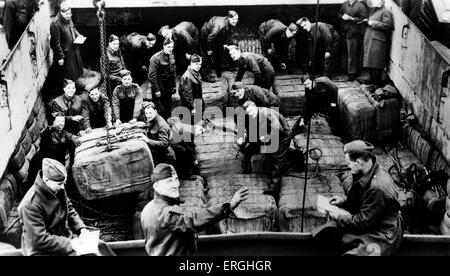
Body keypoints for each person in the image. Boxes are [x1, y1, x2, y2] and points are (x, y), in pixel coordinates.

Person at [313, 140, 404, 256]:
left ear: (359, 162)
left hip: (383, 231)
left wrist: (339, 217)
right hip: (373, 220)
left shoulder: (378, 187)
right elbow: (366, 200)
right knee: (327, 232)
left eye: (349, 163)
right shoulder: (369, 171)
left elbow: (363, 222)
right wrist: (344, 201)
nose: (348, 166)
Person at [140, 163, 249, 256]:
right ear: (156, 186)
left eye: (176, 179)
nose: (176, 184)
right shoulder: (168, 213)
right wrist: (228, 206)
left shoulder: (148, 209)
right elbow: (195, 219)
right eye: (169, 181)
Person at [18, 158, 115, 256]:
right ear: (46, 180)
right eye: (60, 184)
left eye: (64, 183)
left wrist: (82, 229)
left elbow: (69, 209)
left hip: (64, 238)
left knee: (100, 246)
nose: (62, 187)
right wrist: (71, 243)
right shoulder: (29, 205)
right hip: (44, 250)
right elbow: (39, 240)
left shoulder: (56, 187)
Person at [238, 101, 292, 197]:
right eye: (248, 112)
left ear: (256, 107)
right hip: (270, 134)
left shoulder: (267, 113)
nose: (250, 113)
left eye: (251, 110)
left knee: (276, 159)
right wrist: (244, 141)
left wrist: (267, 137)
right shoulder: (252, 117)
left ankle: (274, 189)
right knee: (268, 155)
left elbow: (278, 128)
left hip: (283, 135)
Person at [49, 1, 84, 83]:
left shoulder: (68, 18)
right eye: (67, 14)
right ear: (61, 12)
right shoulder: (55, 24)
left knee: (77, 70)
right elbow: (55, 43)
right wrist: (61, 57)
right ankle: (69, 90)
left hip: (74, 49)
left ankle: (76, 86)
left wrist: (78, 35)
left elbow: (73, 28)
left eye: (70, 13)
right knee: (69, 74)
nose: (69, 16)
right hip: (66, 54)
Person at [362, 0, 394, 87]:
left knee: (376, 63)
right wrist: (367, 22)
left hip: (378, 41)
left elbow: (388, 25)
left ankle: (376, 83)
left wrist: (372, 23)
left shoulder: (385, 11)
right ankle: (372, 80)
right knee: (370, 62)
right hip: (372, 40)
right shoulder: (374, 10)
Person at [200, 10, 239, 76]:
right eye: (233, 19)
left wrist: (225, 44)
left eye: (237, 19)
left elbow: (226, 34)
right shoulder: (220, 26)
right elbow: (210, 37)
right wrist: (209, 49)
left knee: (220, 51)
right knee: (206, 54)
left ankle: (220, 70)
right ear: (229, 18)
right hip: (206, 34)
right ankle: (206, 75)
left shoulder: (229, 23)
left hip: (216, 35)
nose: (235, 21)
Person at [137, 102, 176, 166]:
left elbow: (164, 143)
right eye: (146, 113)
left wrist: (147, 140)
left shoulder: (161, 125)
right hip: (158, 154)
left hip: (165, 157)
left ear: (155, 111)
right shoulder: (152, 119)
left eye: (150, 113)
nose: (148, 115)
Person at [338, 0, 368, 81]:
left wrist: (352, 18)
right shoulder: (345, 4)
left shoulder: (360, 6)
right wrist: (341, 16)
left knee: (352, 54)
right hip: (344, 31)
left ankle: (352, 73)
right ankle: (344, 69)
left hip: (354, 33)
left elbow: (363, 19)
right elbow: (339, 13)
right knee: (344, 52)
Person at [148, 38, 177, 119]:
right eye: (168, 47)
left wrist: (174, 85)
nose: (170, 49)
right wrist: (157, 90)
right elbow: (151, 76)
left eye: (172, 47)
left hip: (168, 85)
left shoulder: (171, 56)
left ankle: (168, 123)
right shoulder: (155, 58)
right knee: (160, 108)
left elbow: (173, 72)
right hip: (159, 86)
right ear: (164, 46)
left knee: (169, 105)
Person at [179, 54, 204, 123]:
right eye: (196, 64)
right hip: (191, 105)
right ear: (191, 63)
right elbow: (187, 95)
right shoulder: (187, 77)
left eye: (200, 64)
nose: (199, 66)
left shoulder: (195, 72)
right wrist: (192, 107)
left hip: (197, 102)